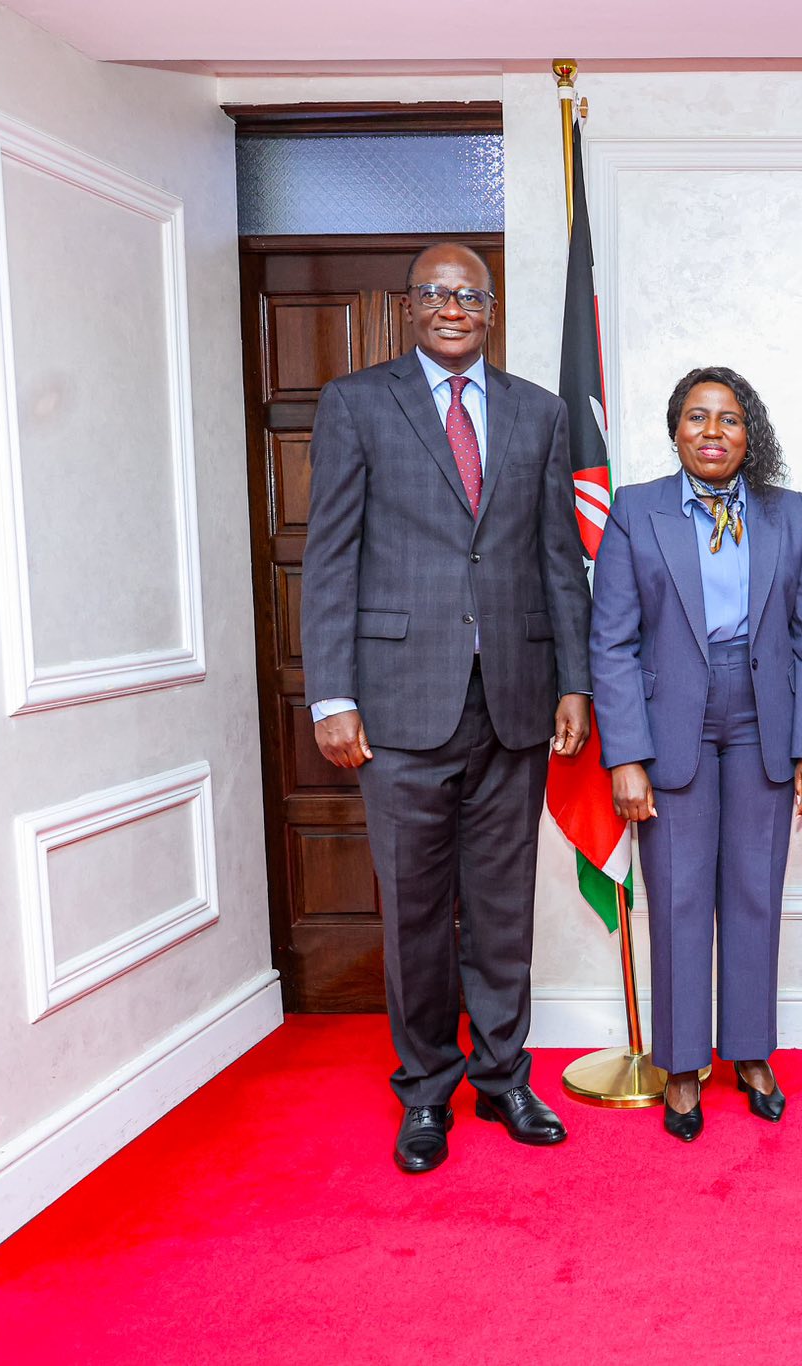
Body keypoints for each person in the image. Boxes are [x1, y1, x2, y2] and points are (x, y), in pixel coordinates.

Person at [302, 242, 590, 1173]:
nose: (453, 307)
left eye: (470, 294)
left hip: (513, 701)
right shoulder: (356, 403)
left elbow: (557, 560)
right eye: (436, 293)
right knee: (419, 912)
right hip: (396, 706)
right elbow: (331, 554)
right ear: (409, 306)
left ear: (491, 309)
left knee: (502, 908)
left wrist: (574, 682)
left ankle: (505, 1076)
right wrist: (333, 695)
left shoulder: (539, 414)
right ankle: (426, 1091)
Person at [591, 368, 802, 1142]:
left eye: (729, 419)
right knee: (678, 896)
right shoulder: (637, 510)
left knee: (756, 893)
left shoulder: (789, 513)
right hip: (672, 725)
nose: (712, 432)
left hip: (763, 715)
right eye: (697, 417)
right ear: (675, 430)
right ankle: (683, 1063)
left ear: (747, 434)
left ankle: (752, 1053)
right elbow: (613, 642)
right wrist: (625, 755)